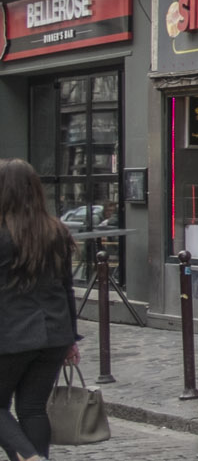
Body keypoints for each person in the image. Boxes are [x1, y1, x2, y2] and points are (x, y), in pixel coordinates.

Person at [0, 160, 81, 461]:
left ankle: (29, 458)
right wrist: (70, 338)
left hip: (10, 337)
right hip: (53, 335)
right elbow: (66, 289)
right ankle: (37, 456)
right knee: (32, 408)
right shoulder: (56, 231)